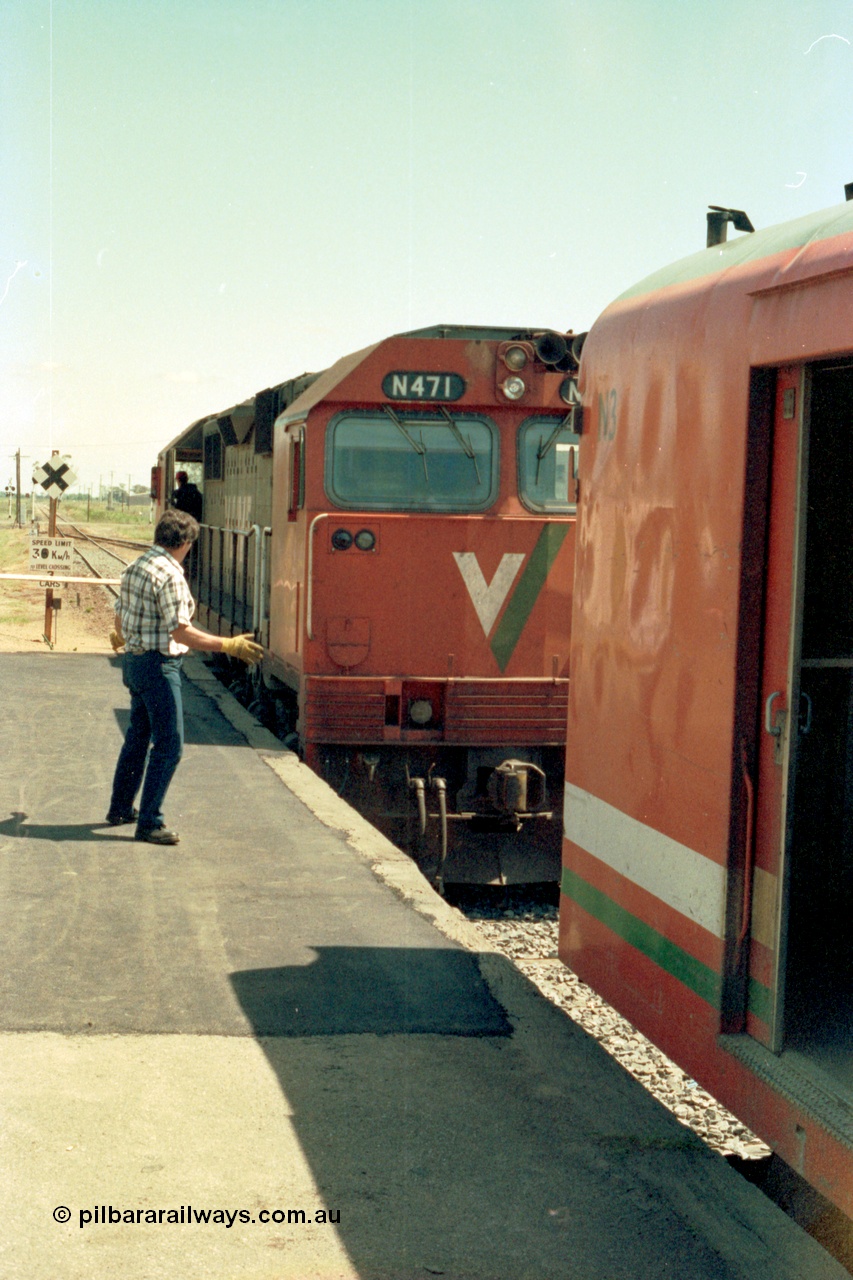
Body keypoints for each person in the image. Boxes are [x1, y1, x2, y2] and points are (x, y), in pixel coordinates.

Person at [106, 508, 262, 845]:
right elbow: (181, 632)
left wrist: (125, 636)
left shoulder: (136, 566)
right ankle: (149, 822)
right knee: (170, 745)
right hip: (159, 667)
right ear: (187, 542)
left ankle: (120, 808)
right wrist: (229, 645)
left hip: (135, 665)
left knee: (138, 737)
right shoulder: (171, 575)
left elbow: (120, 616)